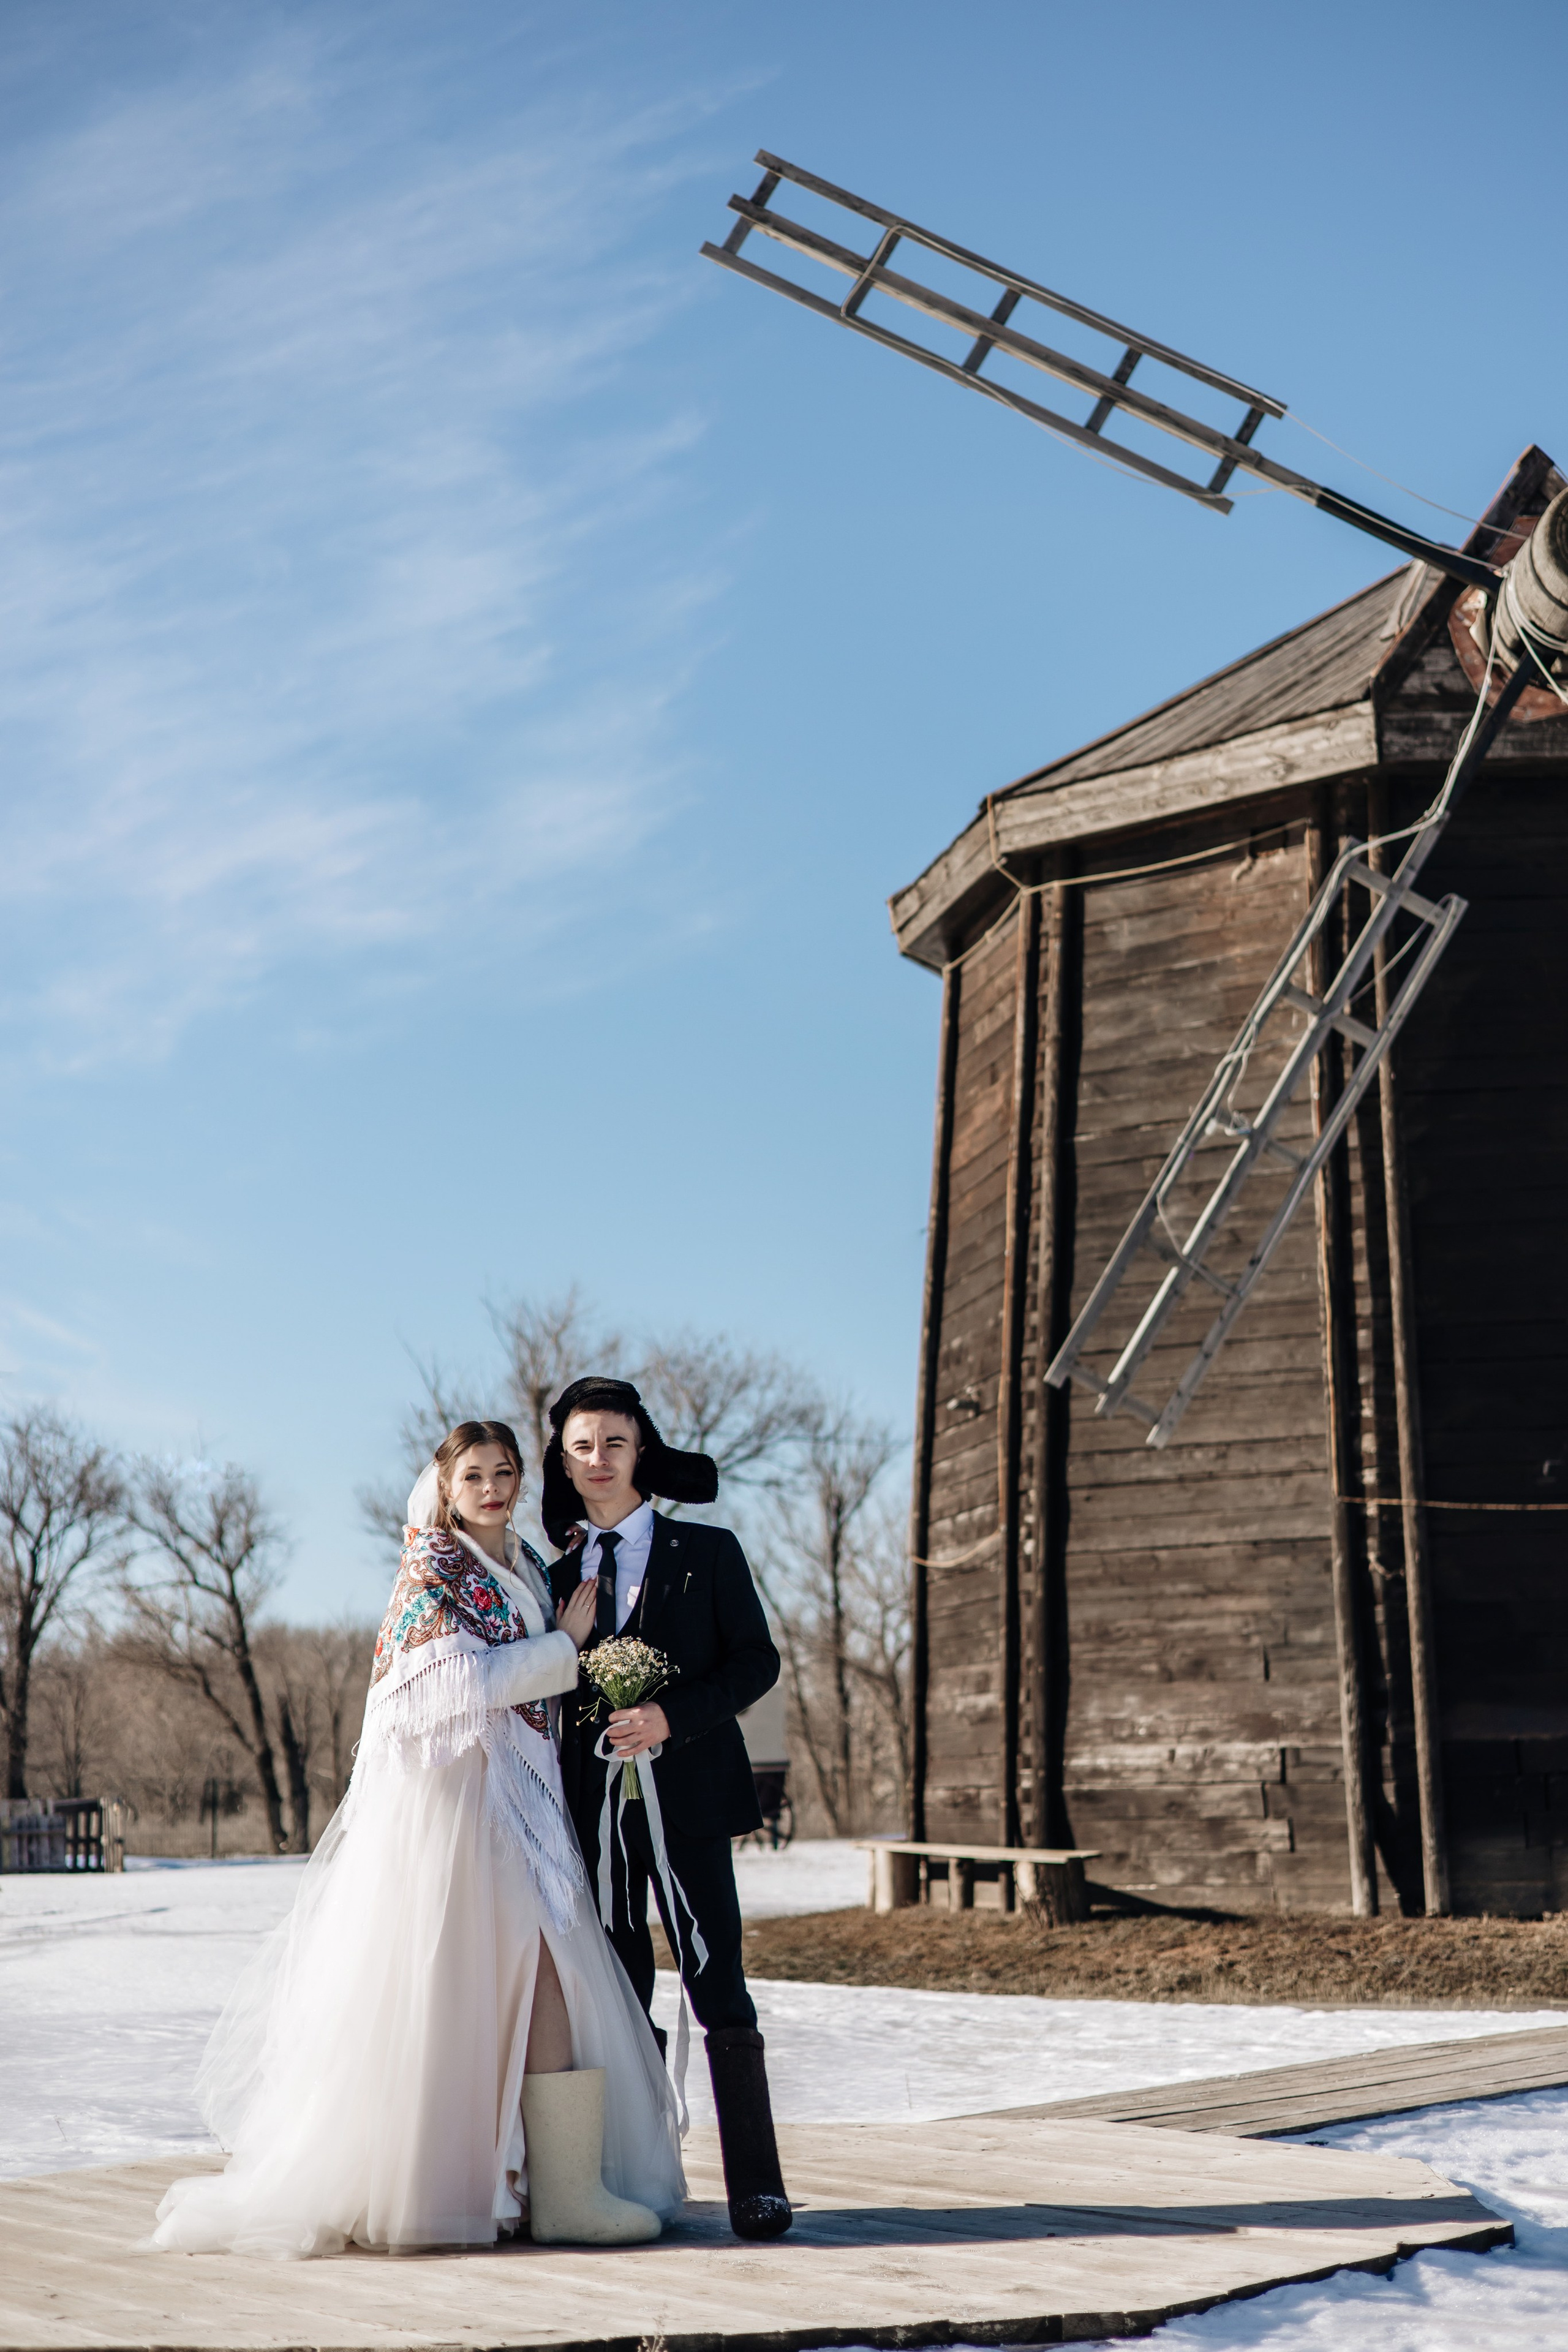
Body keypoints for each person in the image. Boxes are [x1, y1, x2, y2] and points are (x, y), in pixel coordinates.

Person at [149, 1420, 686, 2259]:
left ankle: (562, 2188)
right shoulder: (431, 1571)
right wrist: (564, 1649)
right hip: (461, 1810)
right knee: (478, 1988)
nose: (492, 1487)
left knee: (543, 1980)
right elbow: (445, 1688)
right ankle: (485, 2188)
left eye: (504, 1471)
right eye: (473, 1475)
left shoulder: (530, 1568)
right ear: (446, 1489)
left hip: (525, 1801)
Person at [541, 1375, 792, 2242]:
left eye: (614, 1441)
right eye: (582, 1446)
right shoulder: (556, 1575)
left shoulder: (709, 1553)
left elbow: (757, 1664)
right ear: (564, 1463)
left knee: (716, 1975)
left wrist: (670, 1716)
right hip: (593, 1817)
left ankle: (758, 2185)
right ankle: (640, 2179)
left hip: (688, 1800)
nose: (599, 1460)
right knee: (616, 1988)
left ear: (640, 1448)